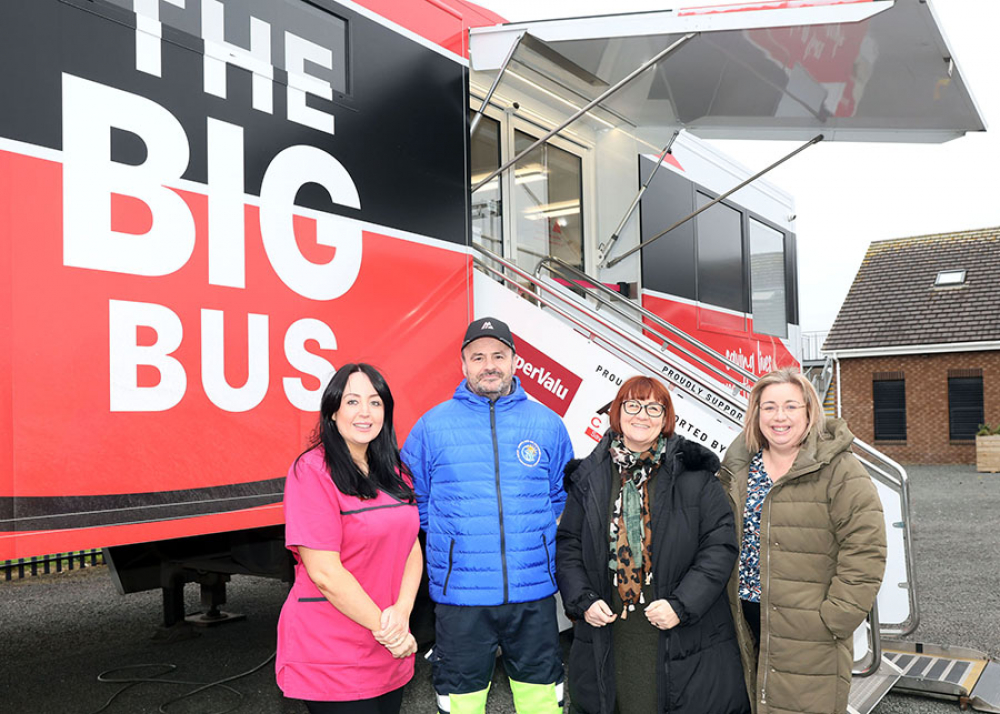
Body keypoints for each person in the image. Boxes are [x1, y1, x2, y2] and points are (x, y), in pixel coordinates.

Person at [402, 316, 574, 714]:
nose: (489, 365)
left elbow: (561, 498)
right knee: (462, 701)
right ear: (463, 366)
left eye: (498, 355)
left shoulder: (547, 424)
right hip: (460, 595)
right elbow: (416, 500)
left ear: (515, 361)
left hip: (532, 593)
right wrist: (453, 540)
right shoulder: (432, 426)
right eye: (477, 357)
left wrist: (537, 538)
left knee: (541, 699)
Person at [556, 375, 749, 714]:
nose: (641, 415)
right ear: (618, 412)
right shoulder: (589, 476)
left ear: (665, 417)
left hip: (679, 629)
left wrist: (682, 604)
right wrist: (582, 599)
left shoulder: (695, 474)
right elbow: (569, 544)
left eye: (653, 407)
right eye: (632, 405)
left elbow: (719, 546)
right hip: (609, 629)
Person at [720, 368, 887, 714]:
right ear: (756, 414)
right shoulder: (738, 468)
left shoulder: (840, 469)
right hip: (743, 621)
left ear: (809, 411)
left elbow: (866, 547)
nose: (779, 416)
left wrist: (836, 618)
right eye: (769, 407)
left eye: (791, 406)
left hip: (810, 628)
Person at [276, 364, 422, 714]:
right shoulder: (311, 472)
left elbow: (411, 546)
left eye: (375, 402)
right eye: (352, 401)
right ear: (332, 410)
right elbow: (325, 573)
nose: (365, 413)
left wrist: (401, 613)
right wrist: (390, 631)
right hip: (332, 651)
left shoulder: (396, 472)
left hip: (387, 643)